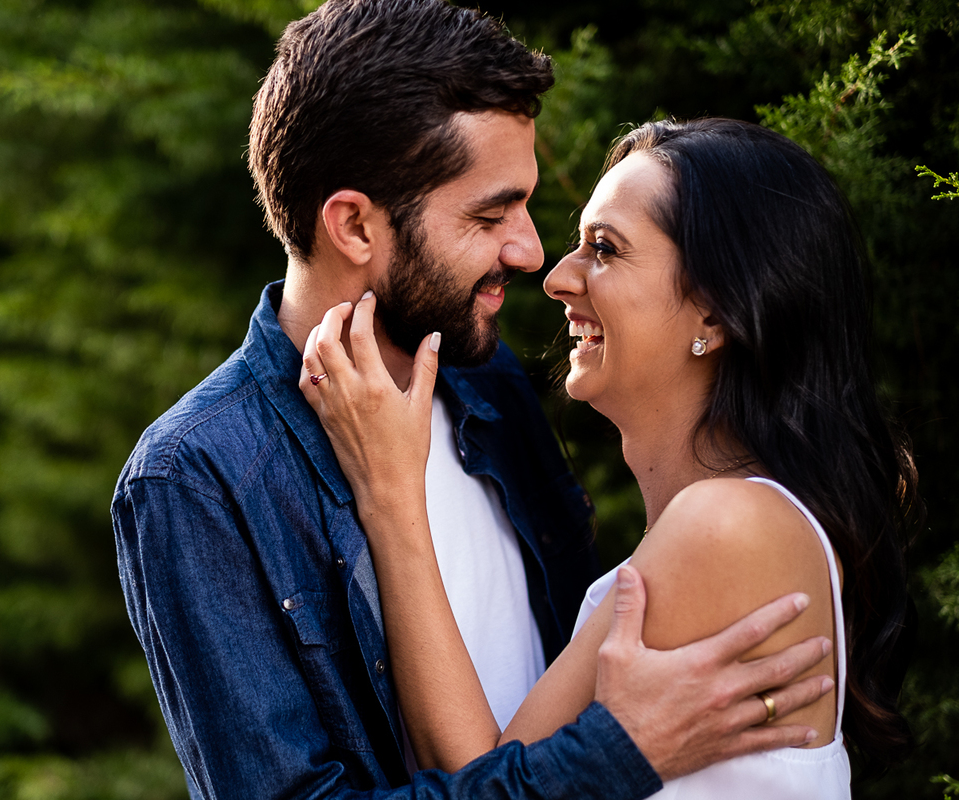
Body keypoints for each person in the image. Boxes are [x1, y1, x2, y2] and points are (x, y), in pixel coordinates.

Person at [112, 2, 834, 797]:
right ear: (355, 226)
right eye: (491, 214)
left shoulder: (489, 389)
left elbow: (507, 733)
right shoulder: (202, 476)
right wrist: (620, 750)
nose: (531, 253)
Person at [299, 118, 920, 796]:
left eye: (605, 249)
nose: (557, 276)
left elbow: (482, 785)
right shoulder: (722, 528)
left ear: (713, 316)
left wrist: (390, 492)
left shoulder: (728, 528)